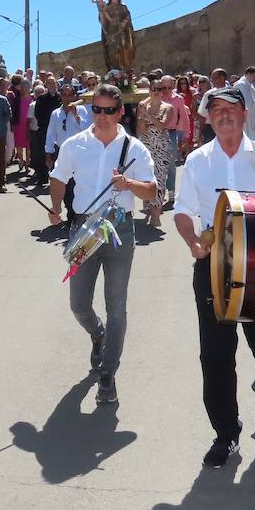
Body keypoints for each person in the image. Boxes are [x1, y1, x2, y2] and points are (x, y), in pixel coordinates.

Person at [173, 85, 255, 469]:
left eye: (231, 108)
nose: (223, 115)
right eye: (215, 110)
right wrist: (192, 241)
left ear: (245, 113)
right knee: (215, 355)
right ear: (208, 117)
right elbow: (182, 210)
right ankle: (226, 432)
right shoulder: (197, 160)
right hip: (213, 267)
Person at [48, 83, 157, 405]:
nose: (103, 116)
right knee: (78, 304)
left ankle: (108, 375)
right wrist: (55, 208)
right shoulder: (75, 145)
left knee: (116, 306)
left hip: (119, 228)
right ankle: (98, 334)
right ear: (90, 110)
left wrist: (129, 184)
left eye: (110, 110)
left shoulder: (135, 148)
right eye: (97, 109)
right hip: (83, 229)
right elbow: (58, 178)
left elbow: (152, 192)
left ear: (121, 112)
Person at [46, 84, 93, 223]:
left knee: (76, 185)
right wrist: (48, 153)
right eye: (64, 95)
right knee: (64, 185)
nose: (67, 98)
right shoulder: (55, 113)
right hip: (61, 153)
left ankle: (76, 215)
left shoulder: (82, 110)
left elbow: (86, 130)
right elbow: (50, 134)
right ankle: (69, 213)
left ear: (74, 96)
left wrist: (75, 114)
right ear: (61, 96)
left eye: (69, 95)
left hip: (79, 153)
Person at [136, 79, 175, 227]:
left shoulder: (168, 107)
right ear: (150, 90)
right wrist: (142, 115)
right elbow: (141, 129)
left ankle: (156, 214)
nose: (157, 92)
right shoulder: (143, 106)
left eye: (160, 89)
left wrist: (148, 115)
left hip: (161, 146)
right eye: (154, 89)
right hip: (146, 146)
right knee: (147, 178)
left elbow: (161, 126)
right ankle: (149, 205)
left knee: (160, 179)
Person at [162, 75, 190, 196]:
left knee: (171, 163)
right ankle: (159, 190)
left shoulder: (178, 99)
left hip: (172, 133)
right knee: (158, 163)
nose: (166, 90)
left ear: (173, 86)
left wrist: (186, 135)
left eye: (169, 87)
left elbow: (184, 117)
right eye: (163, 87)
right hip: (157, 133)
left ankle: (171, 190)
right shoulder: (156, 97)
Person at [195, 68, 228, 144]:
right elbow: (203, 116)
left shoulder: (233, 93)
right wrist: (200, 135)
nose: (212, 81)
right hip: (211, 130)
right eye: (211, 78)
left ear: (222, 78)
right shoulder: (209, 95)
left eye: (214, 78)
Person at [235, 66, 255, 141]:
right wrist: (254, 103)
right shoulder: (241, 85)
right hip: (245, 116)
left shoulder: (248, 84)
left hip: (251, 115)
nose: (254, 79)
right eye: (253, 76)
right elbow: (245, 103)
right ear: (247, 74)